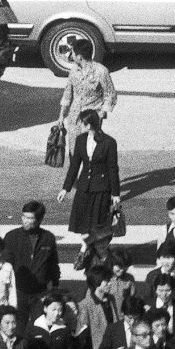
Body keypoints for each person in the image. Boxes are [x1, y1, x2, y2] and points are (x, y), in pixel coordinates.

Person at [59, 110, 121, 269]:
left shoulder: (109, 142)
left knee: (96, 226)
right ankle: (89, 249)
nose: (80, 125)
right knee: (83, 226)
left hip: (101, 190)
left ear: (89, 125)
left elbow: (113, 169)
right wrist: (66, 188)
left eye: (82, 123)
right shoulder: (80, 140)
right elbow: (74, 165)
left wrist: (115, 193)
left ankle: (86, 250)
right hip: (84, 189)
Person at [58, 38, 116, 157]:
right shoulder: (74, 70)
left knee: (89, 152)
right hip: (74, 117)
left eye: (73, 53)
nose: (71, 56)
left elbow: (110, 94)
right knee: (74, 151)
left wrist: (101, 114)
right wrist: (61, 116)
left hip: (91, 119)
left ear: (79, 56)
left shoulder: (101, 71)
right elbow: (68, 94)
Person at [2, 202, 59, 320]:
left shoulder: (48, 238)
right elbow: (5, 265)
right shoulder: (11, 237)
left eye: (30, 218)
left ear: (39, 219)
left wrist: (55, 286)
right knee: (19, 325)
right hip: (18, 291)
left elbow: (53, 264)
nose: (25, 221)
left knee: (39, 324)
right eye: (24, 217)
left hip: (40, 292)